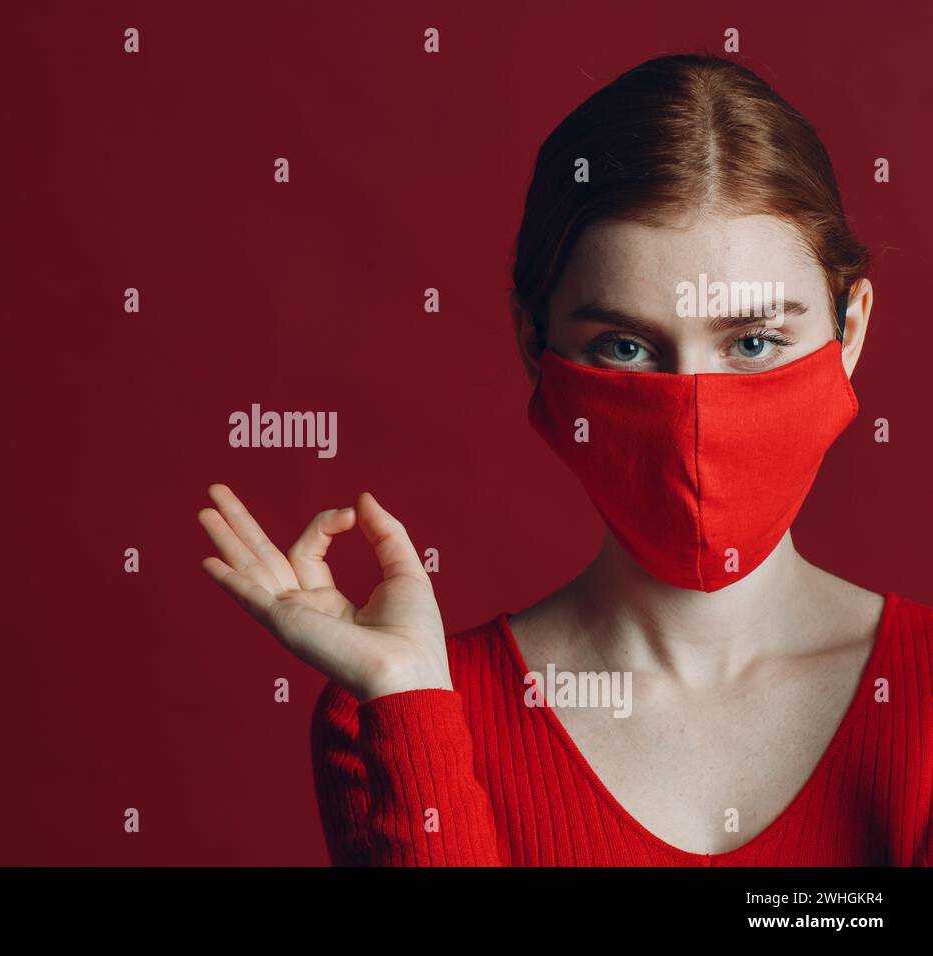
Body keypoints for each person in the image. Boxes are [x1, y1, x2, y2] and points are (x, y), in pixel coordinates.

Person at [196, 53, 932, 865]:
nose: (691, 409)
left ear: (850, 329)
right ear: (533, 343)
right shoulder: (392, 710)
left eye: (752, 342)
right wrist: (410, 706)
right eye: (625, 346)